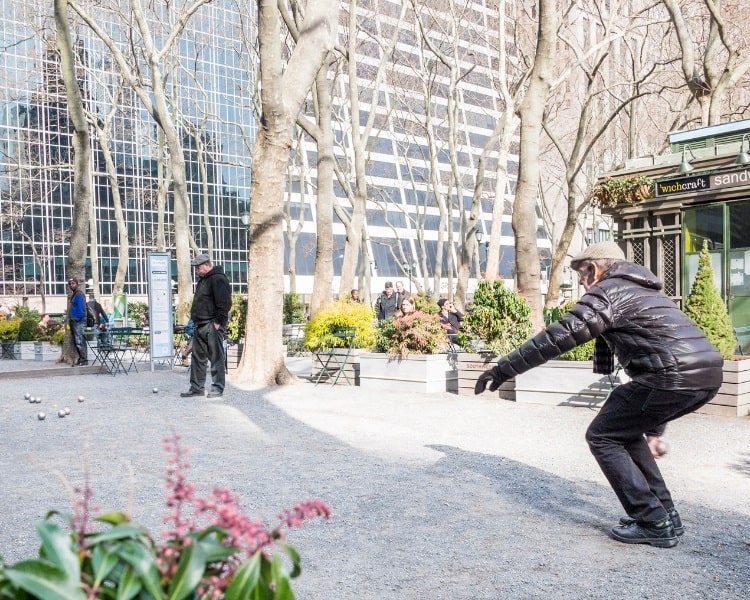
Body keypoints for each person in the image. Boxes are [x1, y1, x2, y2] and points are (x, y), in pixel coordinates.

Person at [474, 241, 723, 548]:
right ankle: (665, 514)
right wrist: (655, 430)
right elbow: (668, 353)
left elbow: (558, 337)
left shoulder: (608, 291)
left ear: (593, 268)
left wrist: (502, 369)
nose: (579, 281)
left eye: (580, 273)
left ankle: (653, 521)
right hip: (707, 374)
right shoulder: (644, 290)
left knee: (602, 436)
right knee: (622, 427)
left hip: (671, 376)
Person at [181, 254, 231, 399]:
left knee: (216, 358)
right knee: (197, 358)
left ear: (207, 265)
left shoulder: (218, 279)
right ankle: (196, 388)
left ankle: (217, 388)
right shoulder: (203, 280)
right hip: (200, 324)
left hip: (211, 324)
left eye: (198, 267)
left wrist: (217, 322)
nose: (196, 270)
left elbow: (225, 303)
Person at [67, 278, 88, 366]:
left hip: (78, 321)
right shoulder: (74, 295)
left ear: (77, 284)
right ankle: (81, 358)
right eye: (70, 284)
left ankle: (84, 360)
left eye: (73, 283)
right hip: (74, 321)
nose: (71, 285)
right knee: (77, 341)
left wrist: (77, 318)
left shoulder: (79, 295)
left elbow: (81, 309)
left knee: (80, 341)